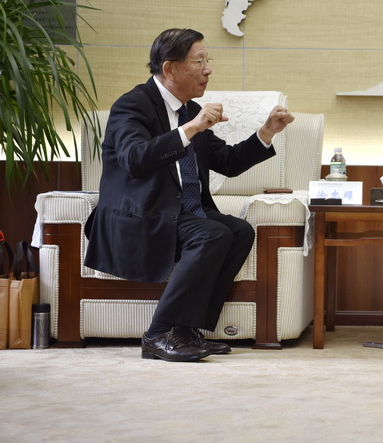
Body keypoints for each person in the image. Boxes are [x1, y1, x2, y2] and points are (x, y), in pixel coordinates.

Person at [84, 28, 294, 362]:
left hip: (180, 212)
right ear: (170, 68)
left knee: (240, 231)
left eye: (207, 60)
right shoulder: (132, 106)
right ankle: (158, 334)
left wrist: (267, 132)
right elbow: (134, 159)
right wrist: (192, 128)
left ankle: (186, 331)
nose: (208, 69)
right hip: (142, 216)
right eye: (199, 61)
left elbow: (227, 162)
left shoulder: (188, 110)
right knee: (212, 233)